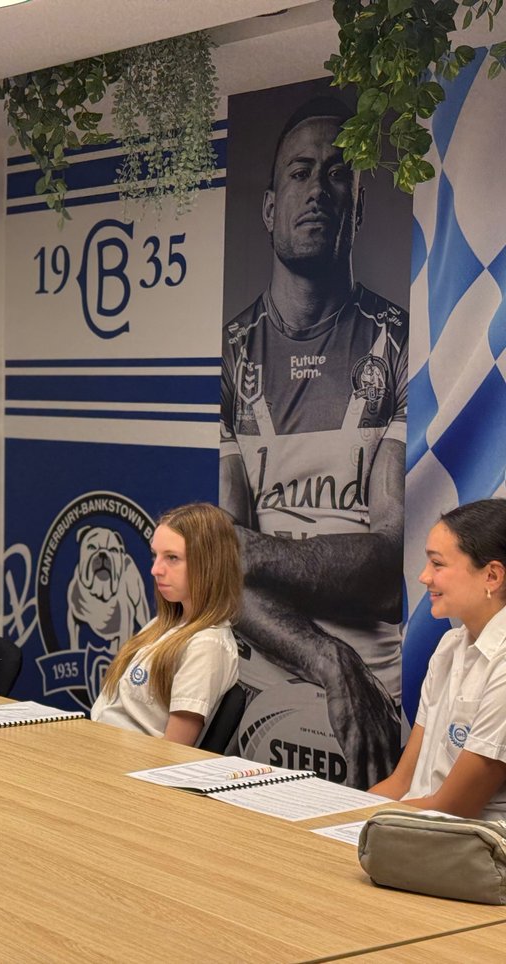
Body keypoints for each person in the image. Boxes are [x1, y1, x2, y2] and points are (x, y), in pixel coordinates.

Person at [219, 95, 408, 788]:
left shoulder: (403, 347)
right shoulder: (229, 356)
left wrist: (250, 551)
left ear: (358, 207)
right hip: (264, 684)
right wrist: (328, 658)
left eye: (337, 175)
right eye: (300, 172)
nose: (318, 190)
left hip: (379, 694)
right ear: (269, 207)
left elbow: (387, 565)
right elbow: (216, 573)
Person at [369, 501, 506, 818]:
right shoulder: (449, 646)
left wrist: (351, 820)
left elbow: (453, 808)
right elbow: (401, 783)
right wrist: (331, 814)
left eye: (437, 564)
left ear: (492, 576)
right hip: (413, 831)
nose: (423, 577)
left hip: (468, 851)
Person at [90, 503, 241, 745]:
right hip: (100, 749)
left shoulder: (207, 646)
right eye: (155, 555)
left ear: (209, 564)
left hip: (127, 771)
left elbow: (173, 753)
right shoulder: (164, 624)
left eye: (172, 558)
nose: (155, 570)